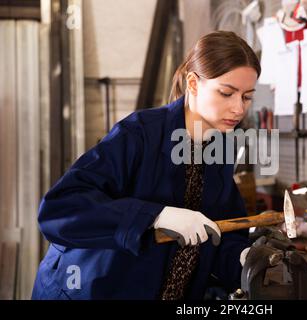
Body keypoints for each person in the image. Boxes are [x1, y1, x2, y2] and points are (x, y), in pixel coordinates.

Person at [31, 30, 260, 300]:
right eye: (226, 93)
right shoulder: (139, 134)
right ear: (194, 84)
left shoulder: (220, 147)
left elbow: (221, 230)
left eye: (246, 97)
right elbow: (60, 209)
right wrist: (155, 216)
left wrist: (244, 258)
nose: (238, 108)